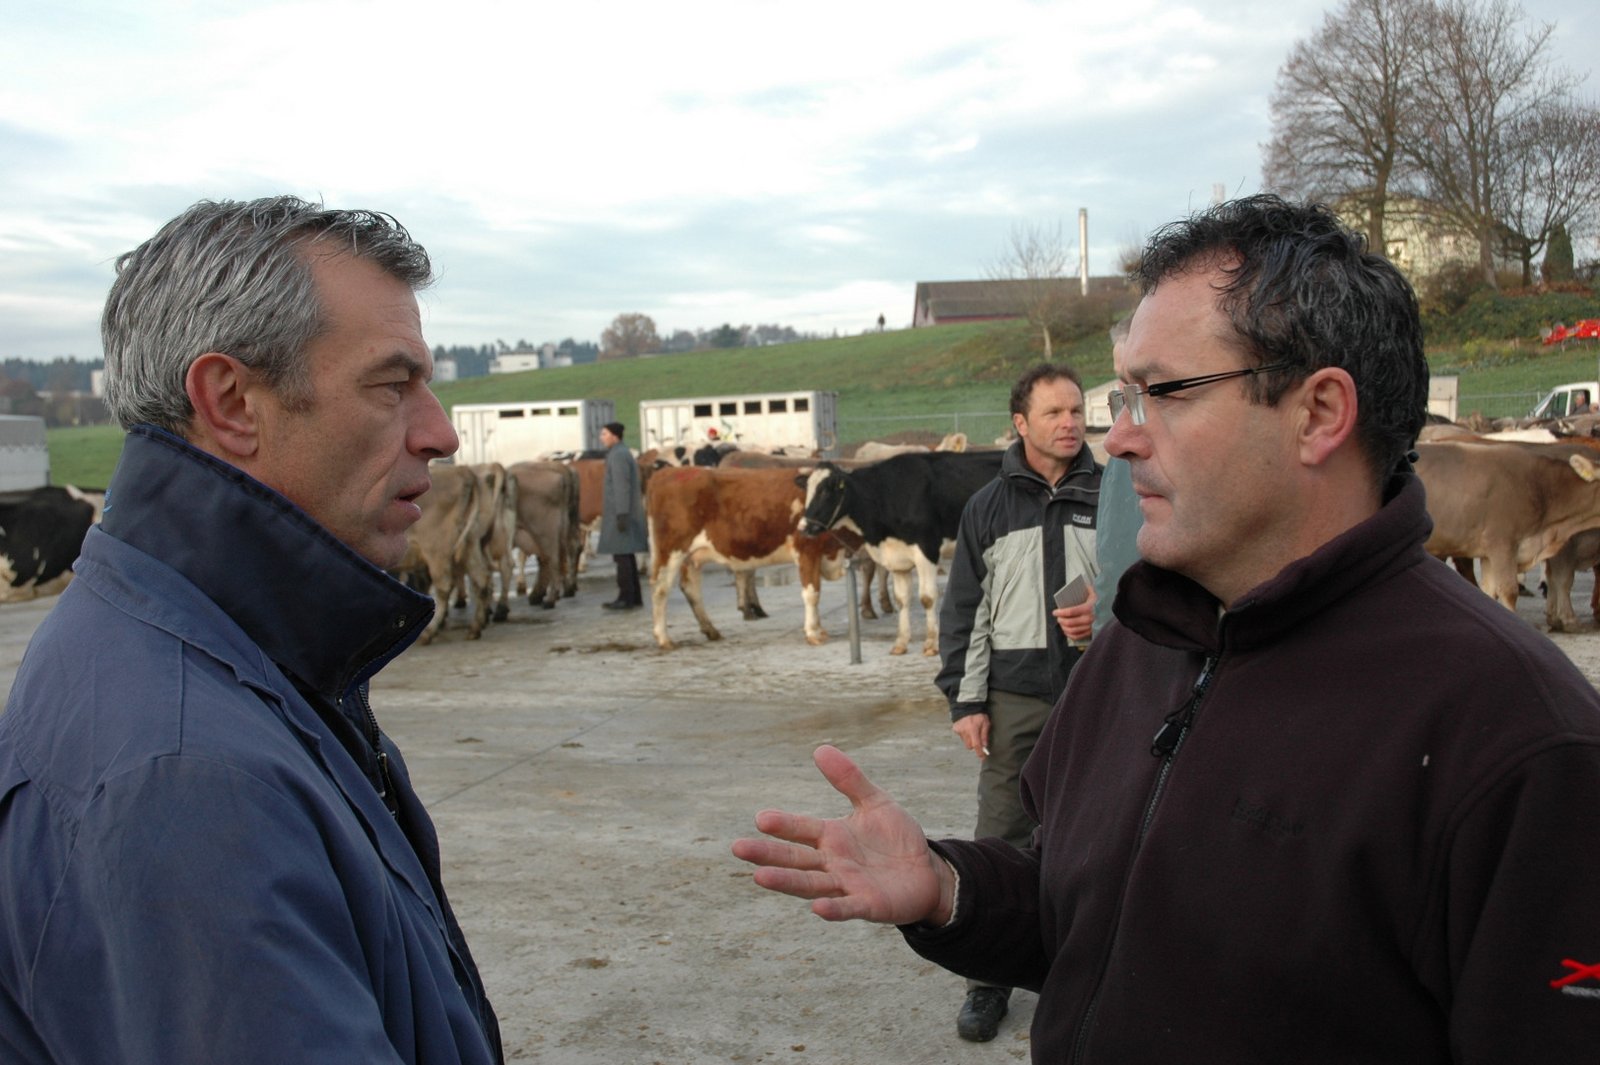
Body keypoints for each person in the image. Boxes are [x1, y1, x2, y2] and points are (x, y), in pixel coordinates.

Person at [732, 195, 1600, 1061]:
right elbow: (1079, 912)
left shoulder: (1523, 742)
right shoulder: (1139, 643)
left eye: (1161, 394)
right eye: (1123, 396)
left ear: (1318, 414)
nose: (1118, 440)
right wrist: (947, 888)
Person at [0, 197, 505, 1064]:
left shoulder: (208, 648)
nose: (441, 433)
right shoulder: (190, 776)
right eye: (391, 385)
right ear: (233, 402)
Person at [934, 362, 1100, 1041]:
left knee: (1104, 829)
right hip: (1014, 697)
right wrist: (966, 701)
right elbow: (964, 612)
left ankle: (1099, 967)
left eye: (1076, 410)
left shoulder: (1114, 493)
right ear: (1020, 423)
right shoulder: (988, 507)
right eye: (1054, 412)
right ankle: (987, 981)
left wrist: (1105, 613)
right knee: (1000, 834)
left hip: (1099, 690)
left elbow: (1151, 583)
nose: (1070, 423)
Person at [1091, 316, 1142, 636]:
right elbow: (1115, 567)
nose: (1124, 394)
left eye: (1135, 382)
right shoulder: (1120, 458)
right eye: (1120, 382)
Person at [598, 420, 647, 609]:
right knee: (627, 554)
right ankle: (634, 597)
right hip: (623, 512)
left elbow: (621, 486)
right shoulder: (621, 452)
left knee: (622, 556)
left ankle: (625, 598)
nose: (602, 438)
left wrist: (622, 514)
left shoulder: (618, 455)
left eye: (605, 434)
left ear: (614, 436)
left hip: (621, 513)